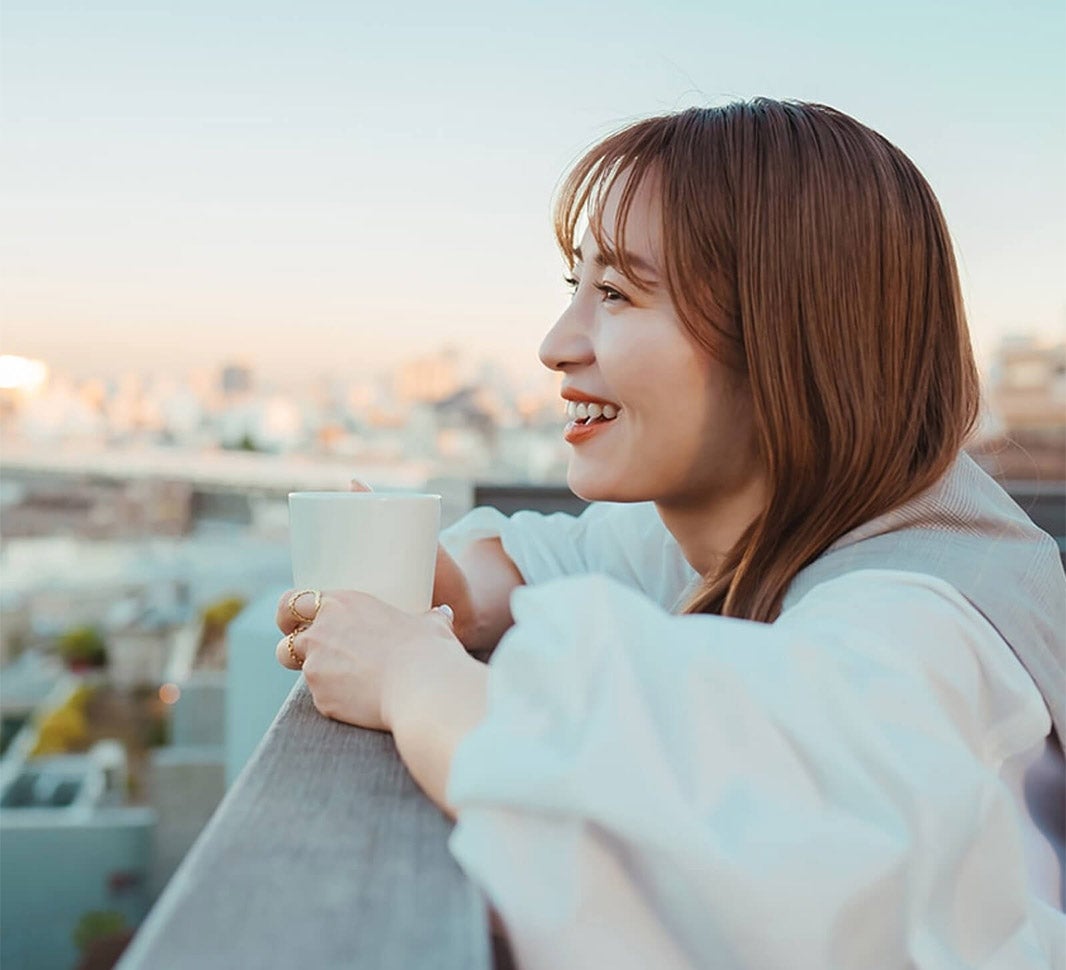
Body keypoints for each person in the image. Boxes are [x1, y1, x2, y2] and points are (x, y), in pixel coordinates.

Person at [274, 99, 1065, 969]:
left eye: (614, 292)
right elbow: (554, 560)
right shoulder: (785, 525)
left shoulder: (924, 629)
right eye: (572, 288)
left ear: (787, 335)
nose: (555, 344)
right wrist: (449, 601)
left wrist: (411, 676)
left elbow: (728, 852)